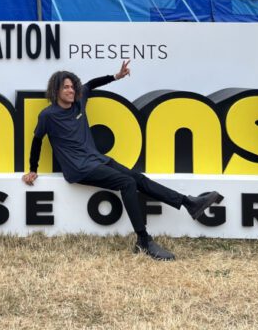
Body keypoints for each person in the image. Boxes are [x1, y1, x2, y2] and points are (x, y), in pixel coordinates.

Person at [22, 61, 224, 261]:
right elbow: (37, 141)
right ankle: (143, 240)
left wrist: (116, 76)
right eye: (65, 87)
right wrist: (33, 169)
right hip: (79, 168)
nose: (71, 90)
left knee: (138, 178)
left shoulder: (79, 102)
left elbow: (91, 84)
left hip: (97, 159)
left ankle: (189, 203)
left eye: (72, 86)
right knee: (127, 183)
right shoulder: (47, 115)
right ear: (55, 90)